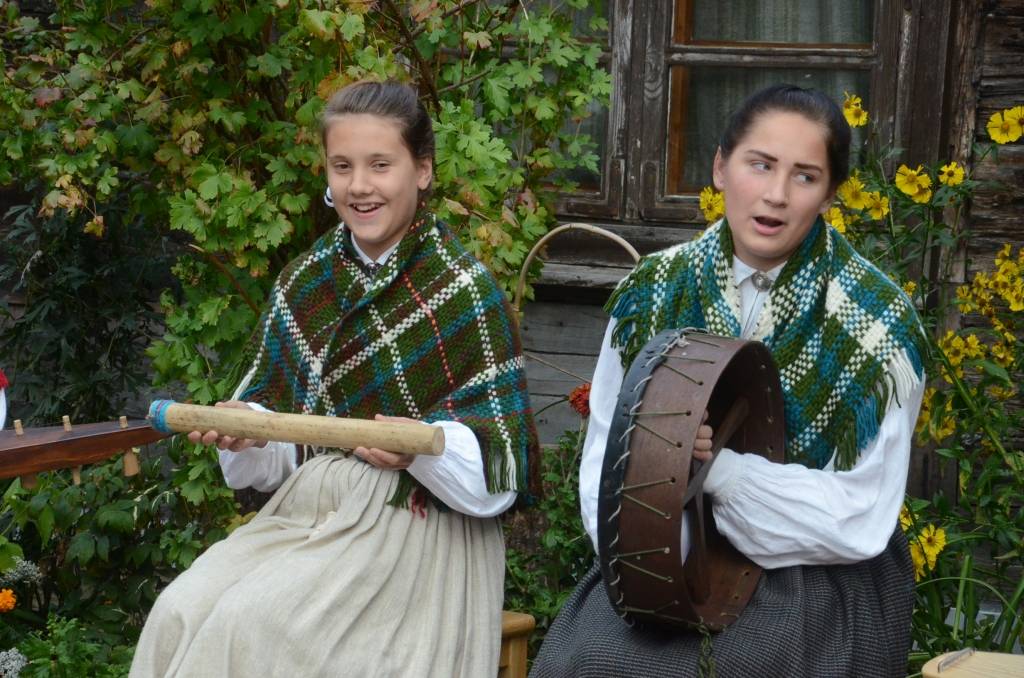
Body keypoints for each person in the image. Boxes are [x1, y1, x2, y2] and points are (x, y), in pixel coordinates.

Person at [130, 80, 538, 678]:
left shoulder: (464, 289)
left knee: (255, 626)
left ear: (423, 170)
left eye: (380, 165)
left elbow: (501, 470)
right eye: (342, 166)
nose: (359, 186)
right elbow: (284, 448)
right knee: (177, 611)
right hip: (305, 517)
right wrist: (251, 433)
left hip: (416, 528)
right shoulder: (305, 283)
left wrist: (419, 451)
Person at [530, 84, 926, 677]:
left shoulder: (877, 324)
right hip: (656, 554)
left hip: (812, 573)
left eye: (805, 176)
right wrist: (653, 544)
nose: (775, 195)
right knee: (591, 662)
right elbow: (606, 461)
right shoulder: (653, 290)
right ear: (720, 167)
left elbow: (861, 512)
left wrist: (718, 473)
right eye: (759, 164)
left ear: (829, 195)